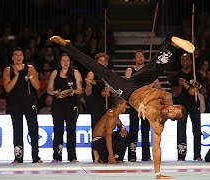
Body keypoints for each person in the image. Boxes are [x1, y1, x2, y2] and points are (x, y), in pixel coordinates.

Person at [50, 35, 192, 179]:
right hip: (142, 83)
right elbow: (157, 91)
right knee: (158, 67)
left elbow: (156, 149)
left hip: (127, 90)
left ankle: (66, 45)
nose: (171, 110)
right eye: (175, 108)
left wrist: (158, 173)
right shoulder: (167, 100)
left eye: (174, 114)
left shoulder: (157, 125)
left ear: (172, 119)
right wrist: (143, 104)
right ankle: (172, 44)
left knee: (98, 69)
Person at [3, 47, 43, 163]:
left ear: (23, 57)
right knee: (17, 130)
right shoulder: (8, 70)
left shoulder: (30, 68)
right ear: (12, 57)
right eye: (16, 54)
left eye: (20, 54)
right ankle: (18, 157)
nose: (18, 56)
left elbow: (37, 87)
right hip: (15, 104)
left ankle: (36, 157)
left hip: (29, 103)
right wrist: (15, 76)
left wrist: (31, 76)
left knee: (33, 130)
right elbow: (7, 88)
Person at [124, 50, 161, 162]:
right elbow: (126, 83)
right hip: (135, 103)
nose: (140, 58)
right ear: (135, 59)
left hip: (147, 104)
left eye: (141, 56)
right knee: (133, 129)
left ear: (144, 59)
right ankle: (132, 155)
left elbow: (158, 86)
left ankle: (146, 155)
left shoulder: (149, 71)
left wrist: (153, 84)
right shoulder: (130, 70)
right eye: (138, 56)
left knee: (145, 130)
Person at [47, 53, 83, 162]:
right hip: (58, 105)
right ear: (60, 62)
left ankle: (72, 156)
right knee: (58, 130)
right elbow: (49, 89)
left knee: (71, 130)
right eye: (63, 60)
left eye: (67, 60)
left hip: (72, 105)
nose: (66, 62)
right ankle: (57, 156)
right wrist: (54, 92)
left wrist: (73, 91)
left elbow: (80, 90)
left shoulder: (75, 73)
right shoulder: (55, 73)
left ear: (70, 62)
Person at [171, 53, 203, 161]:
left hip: (194, 105)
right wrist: (180, 84)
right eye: (183, 59)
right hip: (181, 107)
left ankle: (197, 155)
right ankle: (181, 155)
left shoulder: (196, 74)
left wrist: (198, 86)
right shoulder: (177, 75)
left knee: (197, 130)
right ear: (180, 62)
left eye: (187, 59)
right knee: (181, 130)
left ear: (191, 61)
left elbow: (204, 91)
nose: (185, 61)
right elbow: (175, 94)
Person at [84, 52, 111, 161]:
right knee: (96, 130)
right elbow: (88, 93)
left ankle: (106, 155)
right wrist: (88, 84)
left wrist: (109, 89)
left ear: (107, 63)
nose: (102, 63)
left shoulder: (109, 74)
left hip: (107, 105)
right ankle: (96, 155)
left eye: (104, 61)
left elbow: (115, 92)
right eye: (100, 61)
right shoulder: (92, 73)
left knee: (107, 130)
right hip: (96, 105)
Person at [92, 96, 128, 164]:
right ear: (120, 105)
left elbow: (120, 125)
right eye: (124, 104)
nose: (126, 106)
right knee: (107, 160)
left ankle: (117, 157)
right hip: (99, 140)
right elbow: (108, 137)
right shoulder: (111, 117)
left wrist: (123, 127)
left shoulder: (115, 115)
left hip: (104, 138)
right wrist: (111, 155)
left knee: (125, 134)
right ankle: (98, 153)